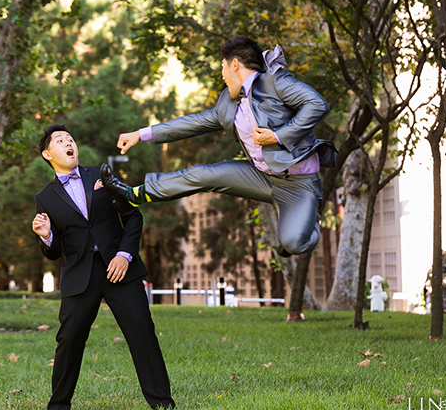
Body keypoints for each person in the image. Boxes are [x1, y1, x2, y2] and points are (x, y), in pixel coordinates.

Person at [102, 36, 335, 257]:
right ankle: (134, 195)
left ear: (235, 65)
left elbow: (316, 104)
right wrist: (140, 135)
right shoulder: (227, 103)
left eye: (222, 67)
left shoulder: (275, 82)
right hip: (260, 176)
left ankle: (307, 224)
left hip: (299, 183)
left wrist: (278, 136)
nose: (222, 75)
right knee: (203, 175)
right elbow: (192, 123)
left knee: (293, 243)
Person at [32, 124, 175, 410]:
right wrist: (46, 236)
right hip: (79, 276)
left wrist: (125, 254)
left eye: (71, 139)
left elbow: (133, 215)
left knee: (142, 331)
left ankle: (162, 404)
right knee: (69, 340)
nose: (68, 143)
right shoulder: (44, 198)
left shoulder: (101, 174)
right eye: (61, 141)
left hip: (119, 268)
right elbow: (55, 250)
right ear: (48, 154)